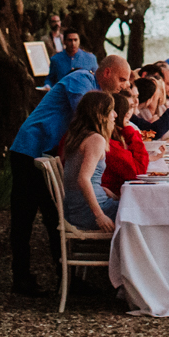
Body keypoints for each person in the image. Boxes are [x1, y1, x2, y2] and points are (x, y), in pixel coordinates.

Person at [7, 53, 130, 295]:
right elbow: (87, 116)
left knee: (53, 216)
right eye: (122, 79)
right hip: (29, 148)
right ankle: (22, 277)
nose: (124, 85)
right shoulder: (81, 79)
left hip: (45, 150)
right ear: (107, 73)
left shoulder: (98, 92)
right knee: (25, 218)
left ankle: (68, 280)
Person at [61, 92, 120, 233]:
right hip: (88, 212)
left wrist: (102, 189)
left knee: (134, 205)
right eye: (111, 110)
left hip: (77, 209)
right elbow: (83, 179)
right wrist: (100, 216)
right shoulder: (96, 139)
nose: (116, 114)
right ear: (101, 114)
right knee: (140, 211)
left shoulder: (78, 137)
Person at [103, 91, 149, 196]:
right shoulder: (108, 144)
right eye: (126, 110)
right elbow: (138, 172)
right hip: (109, 201)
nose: (128, 114)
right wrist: (129, 132)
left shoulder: (109, 140)